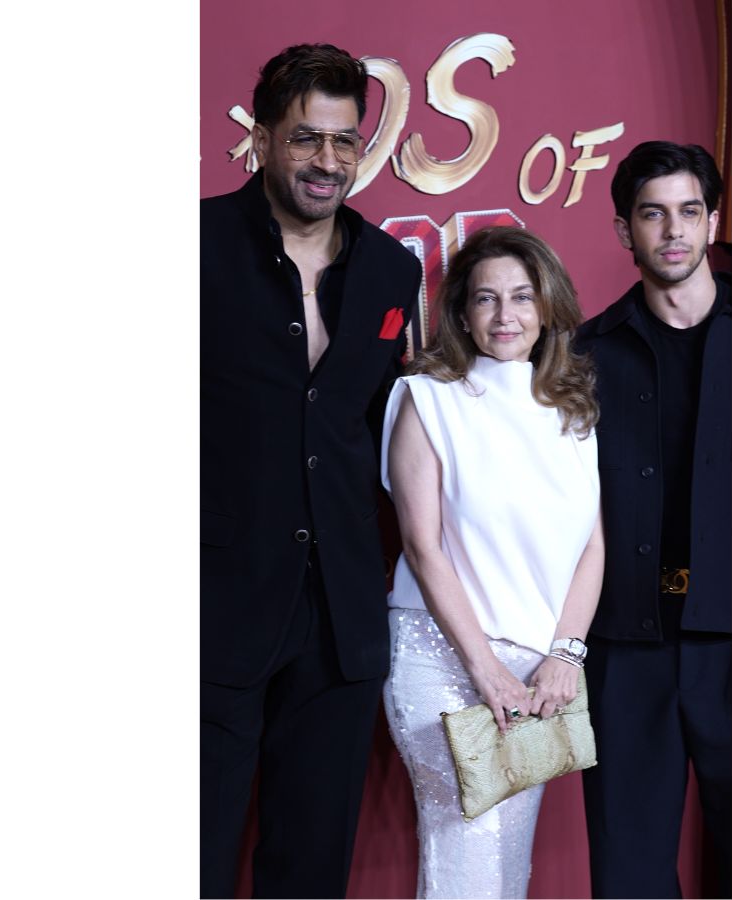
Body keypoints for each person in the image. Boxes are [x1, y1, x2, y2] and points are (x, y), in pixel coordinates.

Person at [200, 43, 422, 899]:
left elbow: (381, 433)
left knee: (311, 872)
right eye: (305, 138)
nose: (327, 160)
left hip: (338, 620)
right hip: (211, 610)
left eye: (344, 140)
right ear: (261, 140)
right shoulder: (193, 246)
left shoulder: (393, 271)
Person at [380, 226, 605, 899]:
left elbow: (592, 546)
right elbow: (422, 547)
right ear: (462, 312)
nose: (505, 315)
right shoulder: (428, 399)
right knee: (468, 859)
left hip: (538, 672)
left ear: (547, 308)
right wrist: (483, 668)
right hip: (443, 660)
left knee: (507, 863)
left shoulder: (571, 412)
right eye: (486, 298)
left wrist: (566, 654)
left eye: (522, 297)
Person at [575, 141, 732, 898]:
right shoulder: (584, 356)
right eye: (653, 214)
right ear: (624, 230)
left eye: (689, 212)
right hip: (627, 643)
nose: (673, 231)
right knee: (629, 874)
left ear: (713, 222)